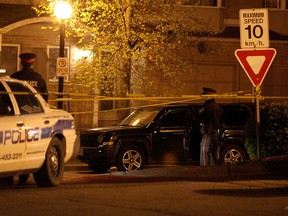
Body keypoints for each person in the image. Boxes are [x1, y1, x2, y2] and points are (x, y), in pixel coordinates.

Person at [11, 53, 48, 185]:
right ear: (32, 63)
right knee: (30, 146)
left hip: (15, 117)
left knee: (15, 146)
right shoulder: (39, 79)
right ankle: (23, 177)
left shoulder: (14, 78)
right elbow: (45, 99)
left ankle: (9, 177)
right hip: (34, 118)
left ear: (22, 63)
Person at [199, 87, 222, 166]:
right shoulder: (217, 107)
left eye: (204, 95)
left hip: (208, 131)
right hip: (215, 132)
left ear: (208, 96)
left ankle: (205, 169)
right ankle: (214, 170)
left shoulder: (206, 107)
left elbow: (200, 118)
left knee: (204, 151)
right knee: (213, 152)